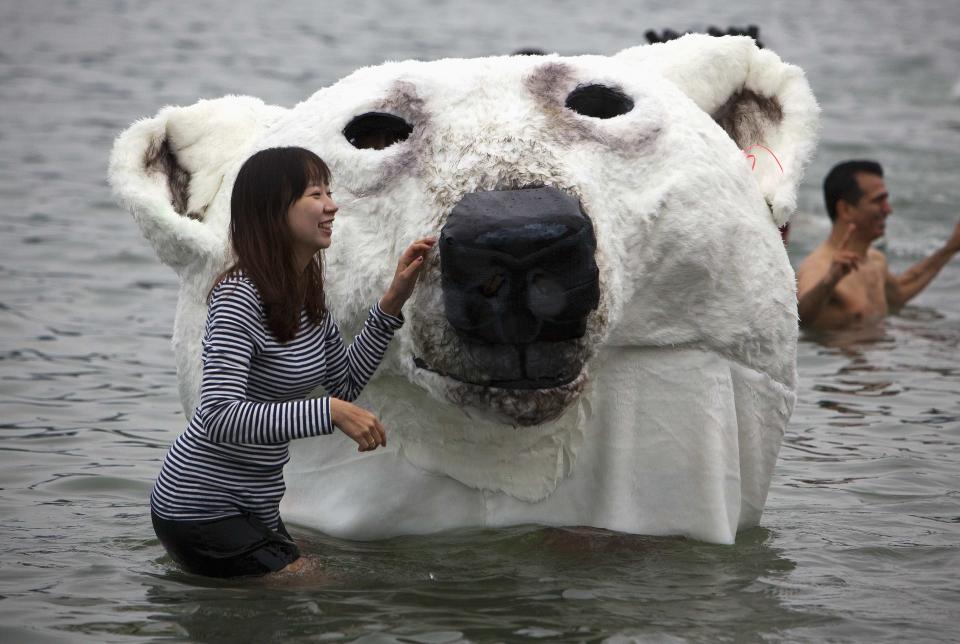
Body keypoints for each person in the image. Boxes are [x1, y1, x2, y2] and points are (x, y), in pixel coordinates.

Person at [149, 146, 435, 578]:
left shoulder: (304, 294)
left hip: (255, 502)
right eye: (315, 194)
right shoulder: (238, 297)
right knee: (320, 589)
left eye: (329, 192)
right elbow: (219, 416)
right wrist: (328, 412)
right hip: (198, 505)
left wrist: (393, 302)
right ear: (273, 210)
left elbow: (344, 382)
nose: (332, 205)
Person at [796, 160, 960, 329]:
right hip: (839, 354)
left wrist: (951, 247)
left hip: (885, 352)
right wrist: (829, 282)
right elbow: (800, 318)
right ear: (845, 209)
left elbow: (900, 292)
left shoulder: (876, 260)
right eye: (878, 201)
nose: (888, 210)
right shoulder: (819, 267)